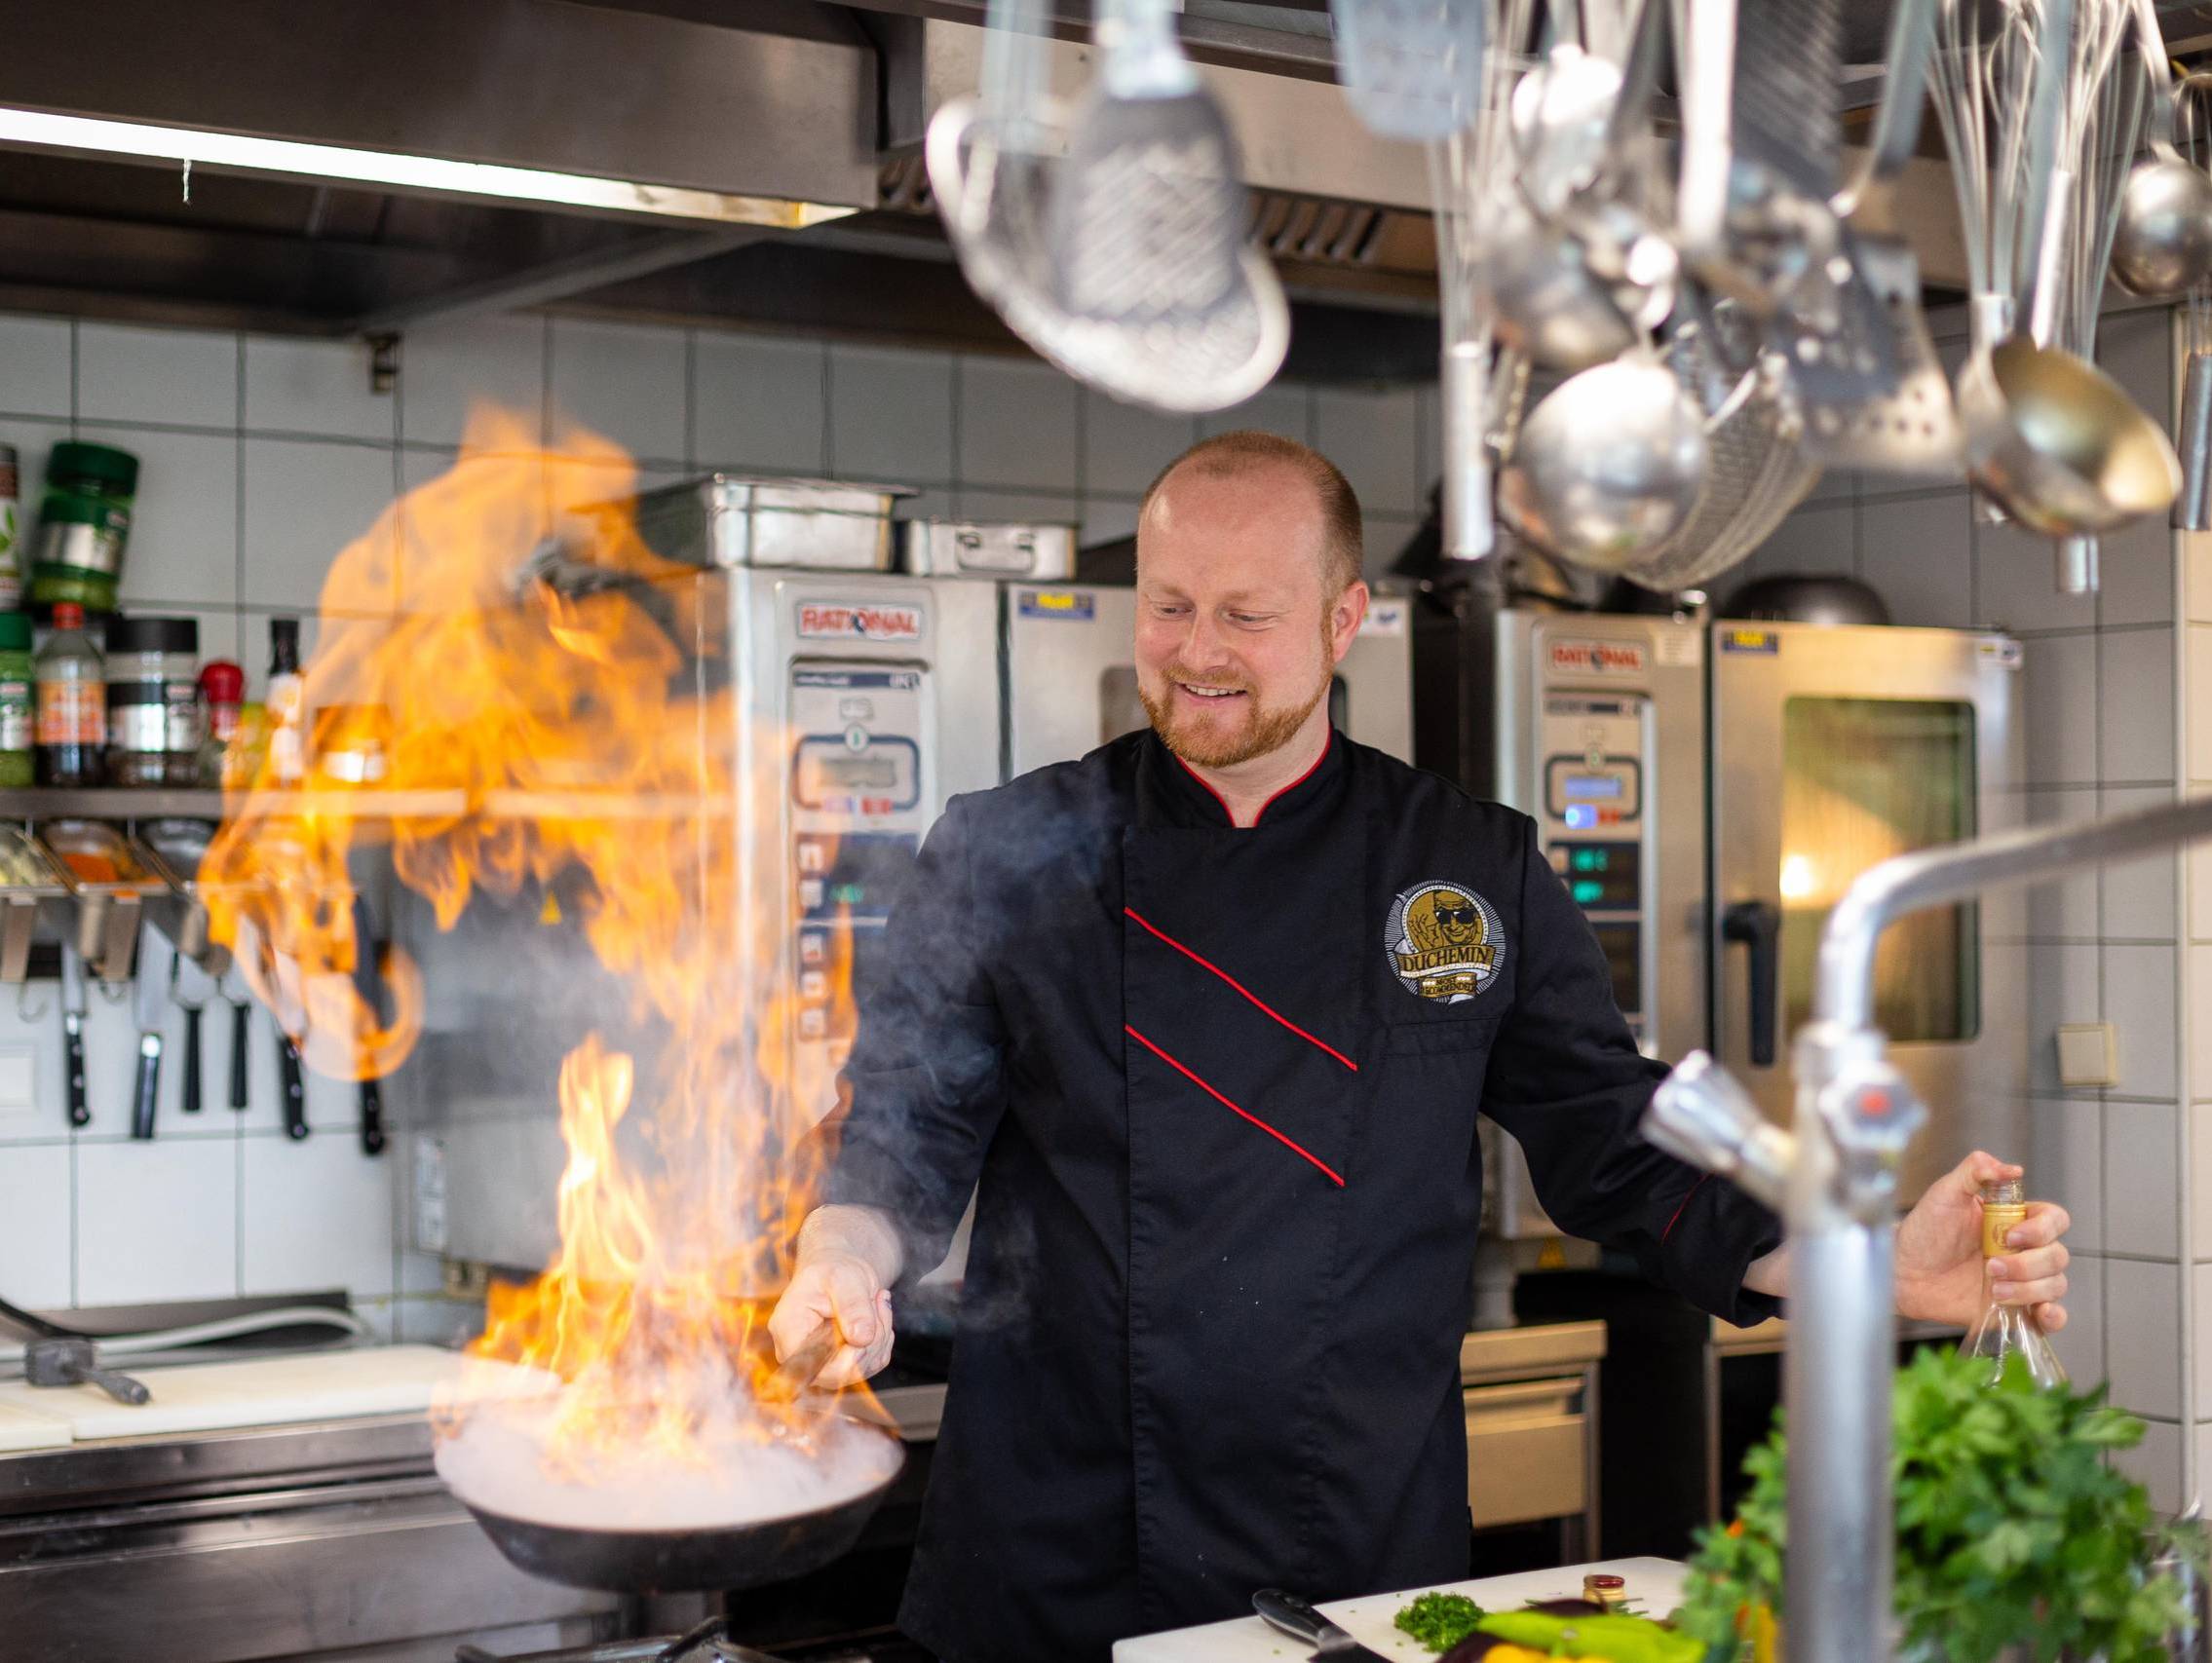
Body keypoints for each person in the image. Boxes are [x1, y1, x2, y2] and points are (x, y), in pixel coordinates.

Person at [768, 431, 2071, 1663]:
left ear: (1344, 620)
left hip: (1351, 1554)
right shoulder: (1006, 847)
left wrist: (1875, 1265)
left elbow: (1625, 1148)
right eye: (1168, 606)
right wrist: (841, 1258)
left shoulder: (1463, 867)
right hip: (1060, 1551)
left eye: (1245, 614)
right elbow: (901, 1123)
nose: (1195, 652)